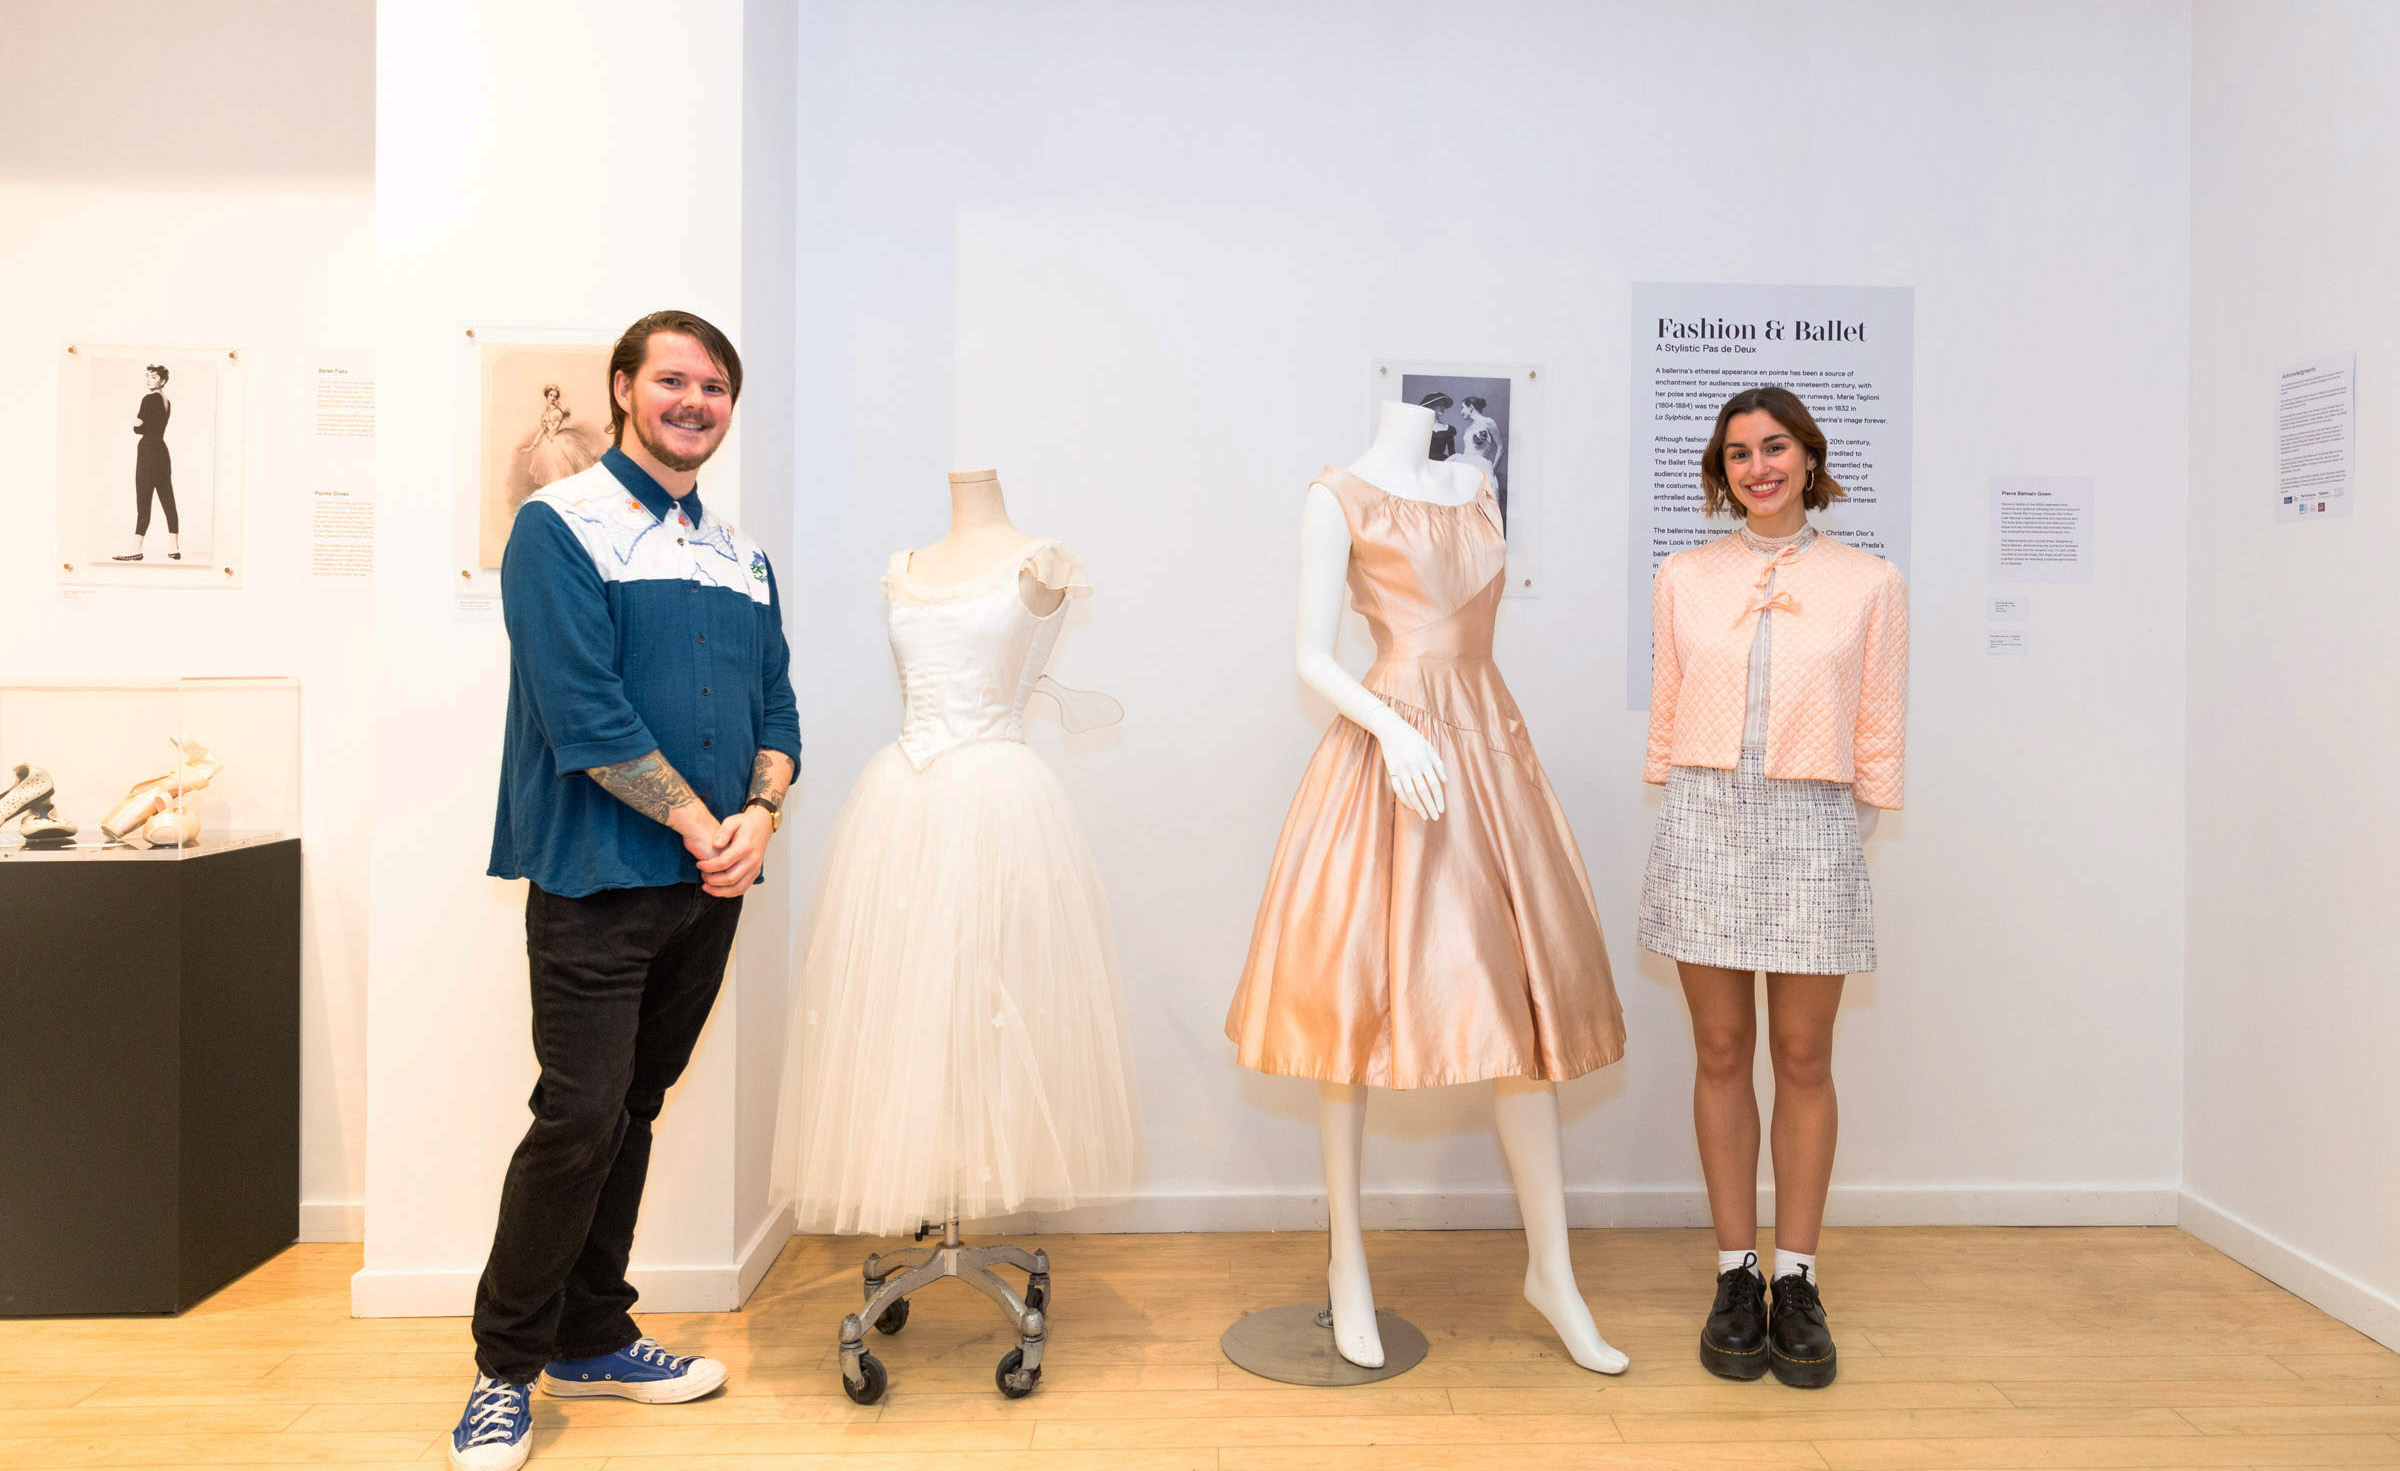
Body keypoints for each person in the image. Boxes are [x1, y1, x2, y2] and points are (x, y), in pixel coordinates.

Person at [450, 310, 800, 1471]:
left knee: (635, 1107)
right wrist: (709, 826)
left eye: (714, 385)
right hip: (600, 880)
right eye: (672, 380)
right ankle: (504, 1368)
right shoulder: (561, 525)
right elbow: (583, 710)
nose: (694, 400)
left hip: (710, 886)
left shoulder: (740, 553)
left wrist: (759, 816)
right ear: (622, 388)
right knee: (579, 1114)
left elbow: (779, 709)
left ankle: (593, 1333)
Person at [1638, 385, 1906, 1389]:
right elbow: (1669, 703)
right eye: (1740, 451)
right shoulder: (1684, 576)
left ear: (1807, 455)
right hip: (1705, 822)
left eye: (1775, 446)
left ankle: (1796, 1280)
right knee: (1718, 1049)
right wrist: (1674, 780)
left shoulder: (1868, 580)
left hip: (1813, 827)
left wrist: (1855, 816)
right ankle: (1732, 1273)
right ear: (1721, 466)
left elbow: (1877, 721)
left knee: (1802, 1054)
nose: (1759, 466)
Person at [113, 365, 178, 562]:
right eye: (147, 376)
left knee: (144, 499)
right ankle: (174, 547)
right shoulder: (167, 401)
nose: (149, 379)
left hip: (148, 452)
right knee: (167, 498)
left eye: (154, 376)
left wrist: (136, 424)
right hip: (162, 451)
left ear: (163, 380)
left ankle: (135, 548)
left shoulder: (149, 398)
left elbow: (140, 428)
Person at [518, 383, 607, 491]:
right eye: (551, 395)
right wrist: (531, 446)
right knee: (551, 473)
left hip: (559, 442)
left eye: (555, 396)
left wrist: (550, 432)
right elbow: (541, 431)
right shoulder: (544, 413)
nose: (552, 398)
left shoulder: (557, 412)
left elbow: (554, 429)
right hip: (548, 444)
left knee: (562, 472)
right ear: (546, 396)